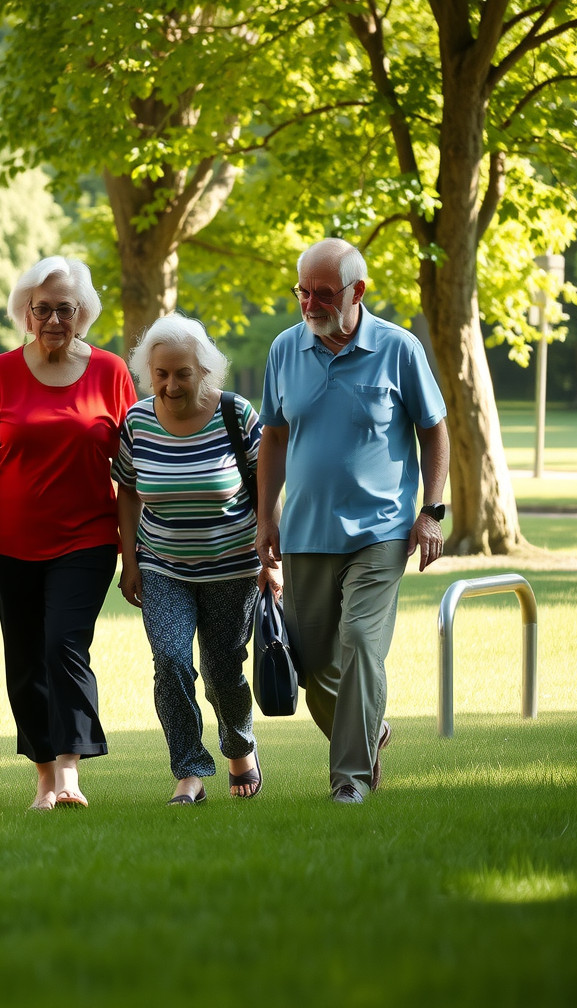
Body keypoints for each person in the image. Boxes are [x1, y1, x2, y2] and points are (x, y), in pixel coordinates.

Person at [257, 237, 449, 804]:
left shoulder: (399, 349)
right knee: (314, 665)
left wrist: (431, 511)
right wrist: (266, 514)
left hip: (381, 531)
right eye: (303, 292)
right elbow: (273, 435)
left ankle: (351, 780)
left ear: (356, 292)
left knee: (362, 642)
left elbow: (434, 430)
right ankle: (370, 732)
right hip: (306, 533)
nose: (310, 304)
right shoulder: (285, 349)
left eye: (322, 294)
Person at [0, 256, 137, 810]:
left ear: (83, 312)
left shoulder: (111, 372)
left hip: (86, 539)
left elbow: (133, 473)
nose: (54, 319)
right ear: (25, 312)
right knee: (26, 656)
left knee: (64, 645)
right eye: (43, 309)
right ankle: (42, 778)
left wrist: (133, 557)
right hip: (9, 542)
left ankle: (70, 774)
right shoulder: (0, 371)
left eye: (66, 308)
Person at [115, 313, 279, 805]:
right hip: (163, 567)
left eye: (181, 373)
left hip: (232, 568)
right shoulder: (138, 421)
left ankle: (239, 747)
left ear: (204, 370)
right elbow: (125, 489)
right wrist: (130, 559)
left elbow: (268, 488)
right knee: (169, 661)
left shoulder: (237, 415)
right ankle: (188, 770)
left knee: (224, 668)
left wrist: (272, 560)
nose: (169, 384)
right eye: (160, 373)